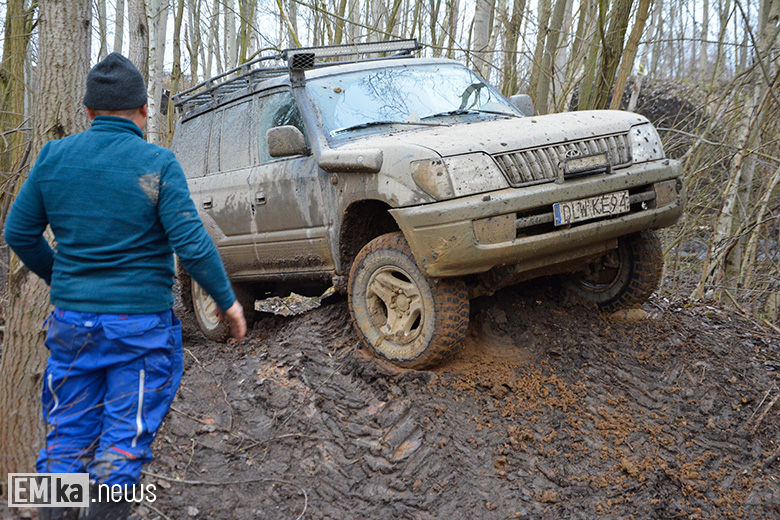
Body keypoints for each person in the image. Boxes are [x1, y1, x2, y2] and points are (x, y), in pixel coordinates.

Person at [4, 52, 246, 520]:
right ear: (141, 112)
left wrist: (64, 279)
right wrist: (227, 302)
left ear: (89, 114)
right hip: (138, 330)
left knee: (66, 439)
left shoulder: (55, 157)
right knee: (121, 447)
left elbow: (18, 232)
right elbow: (192, 244)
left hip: (72, 326)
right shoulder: (157, 162)